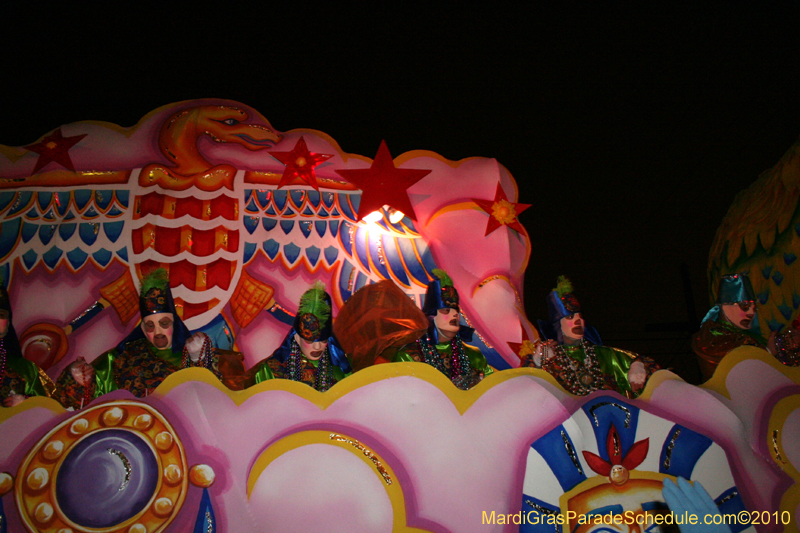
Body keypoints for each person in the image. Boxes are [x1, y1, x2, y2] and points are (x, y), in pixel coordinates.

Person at [56, 269, 245, 408]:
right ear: (143, 329)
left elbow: (219, 399)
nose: (158, 332)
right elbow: (92, 390)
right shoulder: (124, 357)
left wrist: (199, 360)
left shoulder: (197, 352)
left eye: (164, 323)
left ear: (174, 323)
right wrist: (79, 377)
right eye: (150, 326)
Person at [520, 276, 658, 397]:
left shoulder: (604, 355)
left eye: (580, 316)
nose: (577, 321)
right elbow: (525, 389)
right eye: (570, 317)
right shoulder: (549, 358)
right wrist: (537, 362)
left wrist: (638, 365)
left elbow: (649, 365)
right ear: (558, 325)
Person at [393, 269, 493, 390]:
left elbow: (491, 392)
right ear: (431, 316)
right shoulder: (409, 355)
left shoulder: (473, 355)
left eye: (456, 311)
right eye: (446, 311)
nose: (455, 315)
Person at [692, 272, 800, 381]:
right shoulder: (711, 337)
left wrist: (786, 348)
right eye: (745, 307)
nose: (751, 313)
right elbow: (734, 369)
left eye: (753, 308)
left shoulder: (748, 337)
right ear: (725, 306)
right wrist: (769, 351)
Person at [246, 282, 351, 392]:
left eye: (323, 340)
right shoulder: (270, 372)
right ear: (296, 338)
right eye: (310, 341)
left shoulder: (341, 372)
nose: (317, 347)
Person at [0, 284, 54, 406]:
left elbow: (48, 413)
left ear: (8, 322)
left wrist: (26, 405)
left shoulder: (25, 369)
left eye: (1, 315)